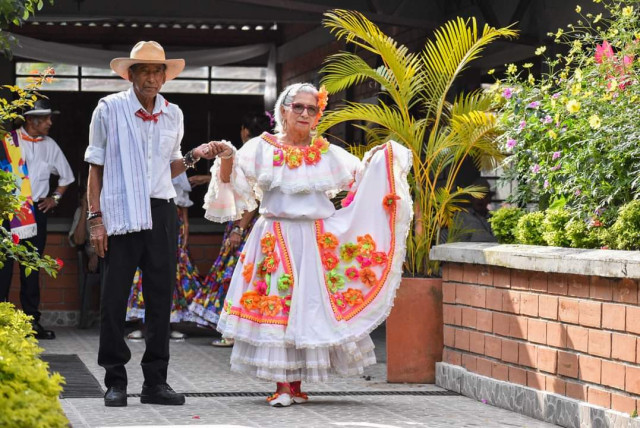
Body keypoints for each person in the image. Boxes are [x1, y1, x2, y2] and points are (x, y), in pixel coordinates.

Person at [203, 83, 413, 407]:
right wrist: (229, 154)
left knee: (308, 311)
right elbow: (234, 183)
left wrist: (378, 161)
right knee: (281, 307)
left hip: (316, 241)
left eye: (311, 109)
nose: (304, 113)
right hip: (275, 237)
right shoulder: (261, 147)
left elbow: (361, 178)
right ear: (283, 111)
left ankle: (296, 386)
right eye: (298, 107)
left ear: (318, 117)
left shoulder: (327, 153)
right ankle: (283, 386)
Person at [84, 41, 215, 408]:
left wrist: (193, 156)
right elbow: (96, 166)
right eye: (145, 71)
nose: (153, 78)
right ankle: (115, 381)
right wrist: (96, 219)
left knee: (161, 301)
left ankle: (155, 383)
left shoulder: (174, 114)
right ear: (130, 74)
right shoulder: (108, 109)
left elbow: (168, 166)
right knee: (113, 301)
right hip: (121, 211)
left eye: (159, 71)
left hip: (160, 211)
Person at [189, 112, 272, 346]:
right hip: (255, 225)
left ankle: (235, 331)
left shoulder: (249, 154)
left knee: (238, 277)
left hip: (246, 226)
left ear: (245, 131)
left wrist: (238, 230)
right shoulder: (265, 153)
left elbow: (252, 197)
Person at [0, 98, 74, 340]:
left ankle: (32, 322)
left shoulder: (50, 145)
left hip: (36, 213)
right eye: (46, 118)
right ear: (31, 120)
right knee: (3, 268)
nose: (50, 123)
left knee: (31, 268)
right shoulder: (7, 142)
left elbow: (66, 178)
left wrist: (54, 199)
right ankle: (2, 322)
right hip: (8, 213)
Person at [125, 172, 201, 340]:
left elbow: (183, 206)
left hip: (172, 222)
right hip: (146, 218)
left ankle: (170, 324)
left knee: (171, 274)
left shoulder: (177, 169)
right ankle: (143, 325)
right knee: (142, 272)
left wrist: (185, 228)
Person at [452, 178, 498, 243]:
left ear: (488, 198)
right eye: (476, 196)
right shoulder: (462, 216)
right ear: (471, 197)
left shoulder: (494, 217)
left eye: (483, 196)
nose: (480, 199)